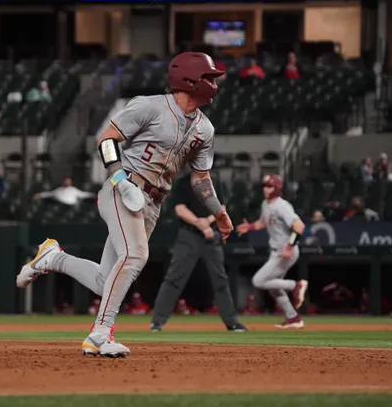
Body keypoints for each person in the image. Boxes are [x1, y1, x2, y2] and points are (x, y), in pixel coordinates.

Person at [15, 52, 233, 357]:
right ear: (189, 79)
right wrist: (118, 177)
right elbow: (106, 138)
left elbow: (200, 178)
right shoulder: (149, 105)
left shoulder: (204, 129)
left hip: (154, 202)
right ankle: (99, 334)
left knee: (107, 280)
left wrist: (218, 211)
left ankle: (52, 259)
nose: (214, 83)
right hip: (124, 188)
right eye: (209, 77)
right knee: (135, 256)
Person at [149, 172, 247, 333]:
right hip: (188, 235)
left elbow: (221, 207)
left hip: (211, 234)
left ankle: (232, 322)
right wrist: (198, 223)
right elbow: (180, 209)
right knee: (174, 278)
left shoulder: (215, 181)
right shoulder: (183, 182)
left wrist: (207, 222)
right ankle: (157, 322)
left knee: (220, 279)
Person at [235, 174, 308, 329]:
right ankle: (293, 317)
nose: (266, 189)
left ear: (278, 188)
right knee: (273, 288)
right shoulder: (265, 204)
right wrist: (249, 227)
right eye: (265, 186)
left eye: (270, 186)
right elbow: (263, 222)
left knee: (258, 281)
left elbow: (299, 227)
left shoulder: (282, 206)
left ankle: (296, 285)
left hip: (285, 251)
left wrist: (289, 247)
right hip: (277, 251)